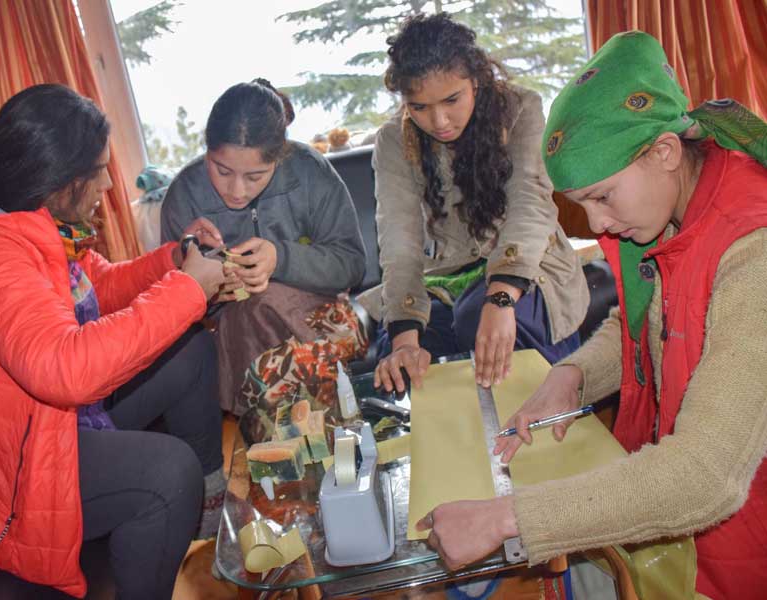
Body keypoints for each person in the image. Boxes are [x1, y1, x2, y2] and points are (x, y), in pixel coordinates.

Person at [418, 31, 767, 600]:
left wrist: (507, 518)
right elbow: (641, 319)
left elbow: (707, 475)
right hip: (677, 538)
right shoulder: (670, 204)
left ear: (664, 152)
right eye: (581, 206)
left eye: (603, 198)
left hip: (741, 556)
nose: (598, 226)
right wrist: (572, 376)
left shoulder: (754, 250)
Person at [0, 84, 229, 599]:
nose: (106, 182)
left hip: (44, 430)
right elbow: (66, 370)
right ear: (58, 178)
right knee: (167, 474)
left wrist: (174, 261)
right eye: (98, 169)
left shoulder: (24, 222)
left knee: (189, 351)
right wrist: (189, 289)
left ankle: (209, 518)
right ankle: (179, 518)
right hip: (1, 485)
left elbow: (97, 288)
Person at [359, 13, 589, 394]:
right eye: (418, 107)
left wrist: (500, 298)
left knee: (476, 318)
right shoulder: (394, 142)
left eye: (452, 99)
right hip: (444, 278)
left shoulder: (520, 110)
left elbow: (530, 205)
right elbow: (399, 243)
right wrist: (404, 342)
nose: (438, 121)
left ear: (477, 81)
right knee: (400, 362)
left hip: (528, 265)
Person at [161, 79, 367, 416]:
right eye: (222, 170)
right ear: (207, 151)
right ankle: (291, 437)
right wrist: (208, 292)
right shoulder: (185, 195)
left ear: (280, 157)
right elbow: (170, 306)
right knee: (251, 312)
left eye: (256, 176)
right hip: (235, 341)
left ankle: (281, 438)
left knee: (263, 303)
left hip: (322, 322)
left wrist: (281, 259)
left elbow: (352, 265)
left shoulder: (310, 171)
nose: (237, 191)